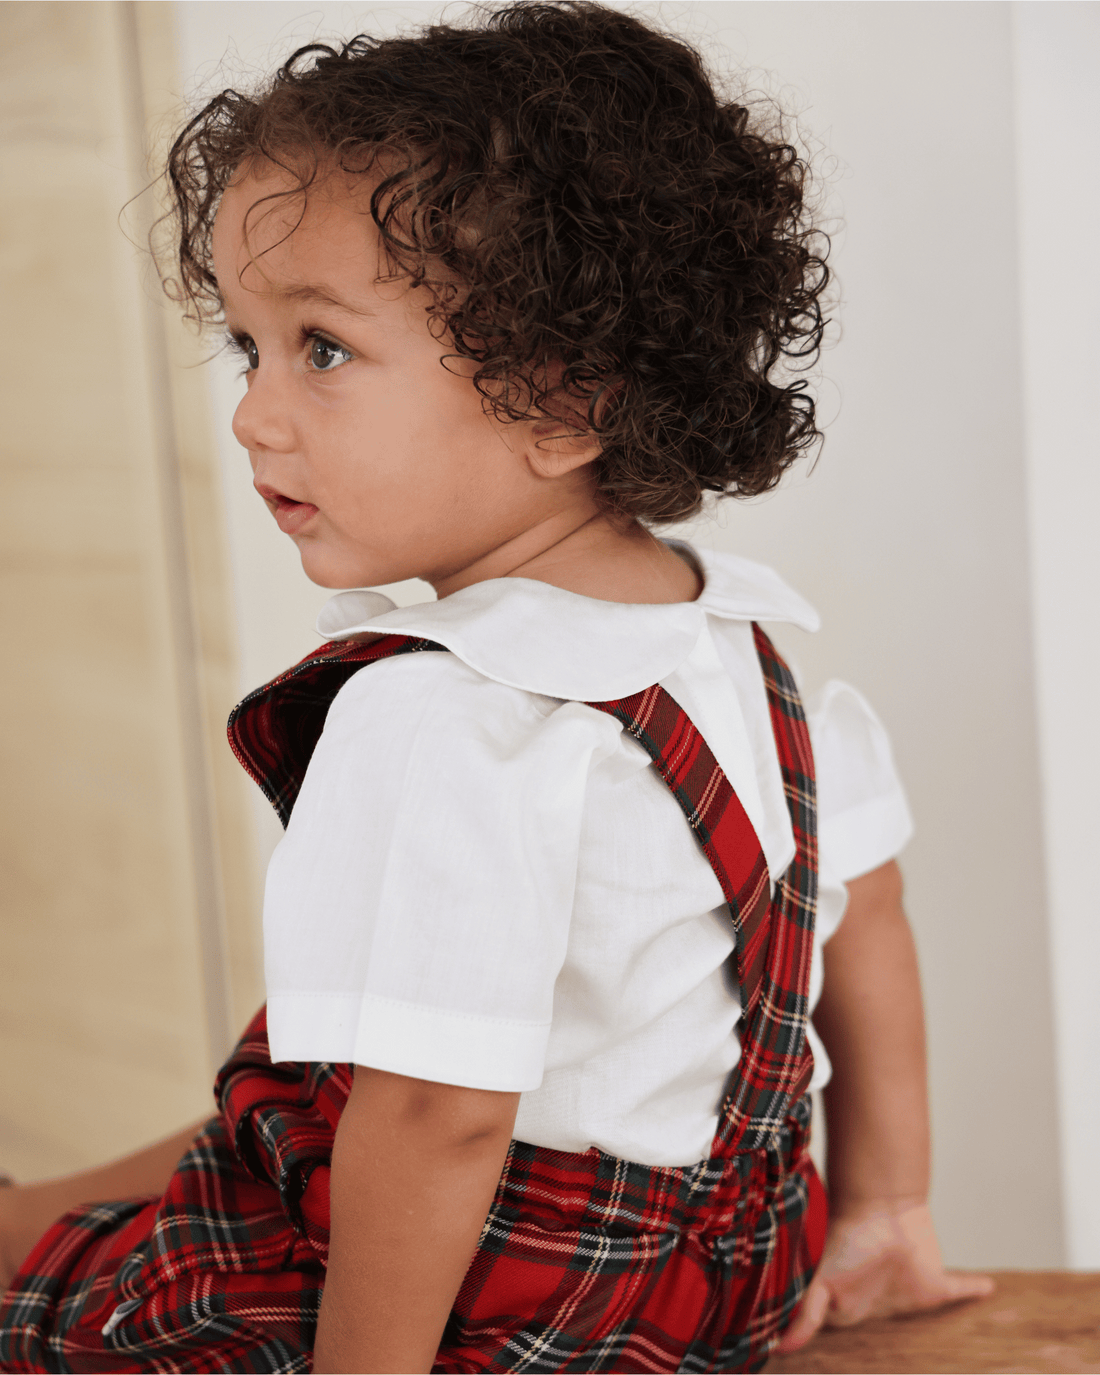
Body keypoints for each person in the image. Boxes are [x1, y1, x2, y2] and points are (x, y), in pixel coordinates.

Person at [0, 3, 993, 1371]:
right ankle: (31, 1212)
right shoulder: (733, 644)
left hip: (505, 1304)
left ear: (563, 399)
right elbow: (865, 913)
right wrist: (884, 1208)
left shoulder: (444, 718)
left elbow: (435, 1119)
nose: (252, 414)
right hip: (727, 1279)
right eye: (248, 346)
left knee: (78, 1318)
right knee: (291, 1074)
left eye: (323, 349)